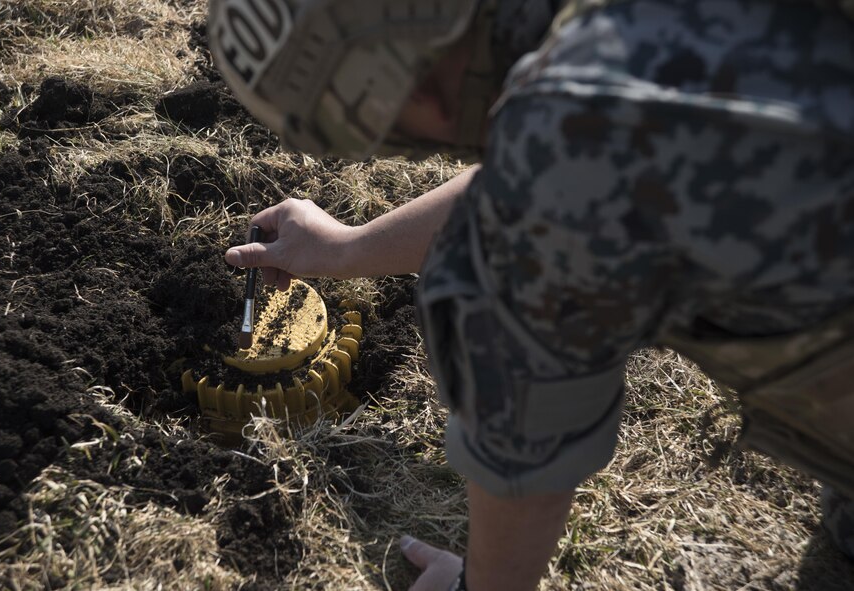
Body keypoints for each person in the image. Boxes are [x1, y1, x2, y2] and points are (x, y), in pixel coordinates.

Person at [210, 0, 854, 588]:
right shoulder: (592, 58)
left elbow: (524, 457)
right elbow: (555, 154)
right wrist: (347, 248)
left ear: (420, 95)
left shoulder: (559, 157)